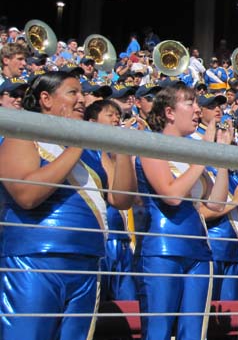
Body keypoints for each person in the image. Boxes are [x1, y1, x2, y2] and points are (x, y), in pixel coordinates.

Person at [0, 71, 136, 339]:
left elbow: (121, 199)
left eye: (82, 93)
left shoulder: (93, 151)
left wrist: (123, 151)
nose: (82, 100)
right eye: (72, 92)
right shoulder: (23, 135)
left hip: (87, 263)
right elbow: (27, 195)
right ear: (45, 99)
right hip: (34, 260)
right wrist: (77, 145)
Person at [135, 83, 233, 340]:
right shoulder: (151, 144)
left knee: (194, 332)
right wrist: (202, 153)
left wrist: (220, 157)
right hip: (162, 249)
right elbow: (172, 195)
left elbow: (216, 203)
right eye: (189, 103)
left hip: (199, 250)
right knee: (158, 330)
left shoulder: (192, 151)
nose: (197, 110)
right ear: (169, 112)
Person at [84, 99, 138, 301]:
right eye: (110, 115)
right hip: (105, 239)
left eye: (118, 115)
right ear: (91, 121)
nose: (116, 119)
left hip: (123, 238)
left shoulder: (114, 154)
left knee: (127, 304)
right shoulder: (92, 153)